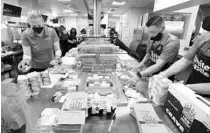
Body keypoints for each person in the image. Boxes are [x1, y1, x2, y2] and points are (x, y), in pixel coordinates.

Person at [156, 15, 210, 96]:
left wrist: (183, 87)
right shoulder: (203, 38)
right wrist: (162, 75)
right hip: (191, 90)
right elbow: (184, 61)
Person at [131, 15, 180, 82]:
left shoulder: (172, 42)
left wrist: (139, 75)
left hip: (164, 75)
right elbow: (148, 54)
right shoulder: (151, 38)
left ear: (162, 28)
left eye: (153, 32)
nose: (150, 35)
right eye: (149, 32)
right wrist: (141, 64)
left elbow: (159, 65)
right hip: (152, 69)